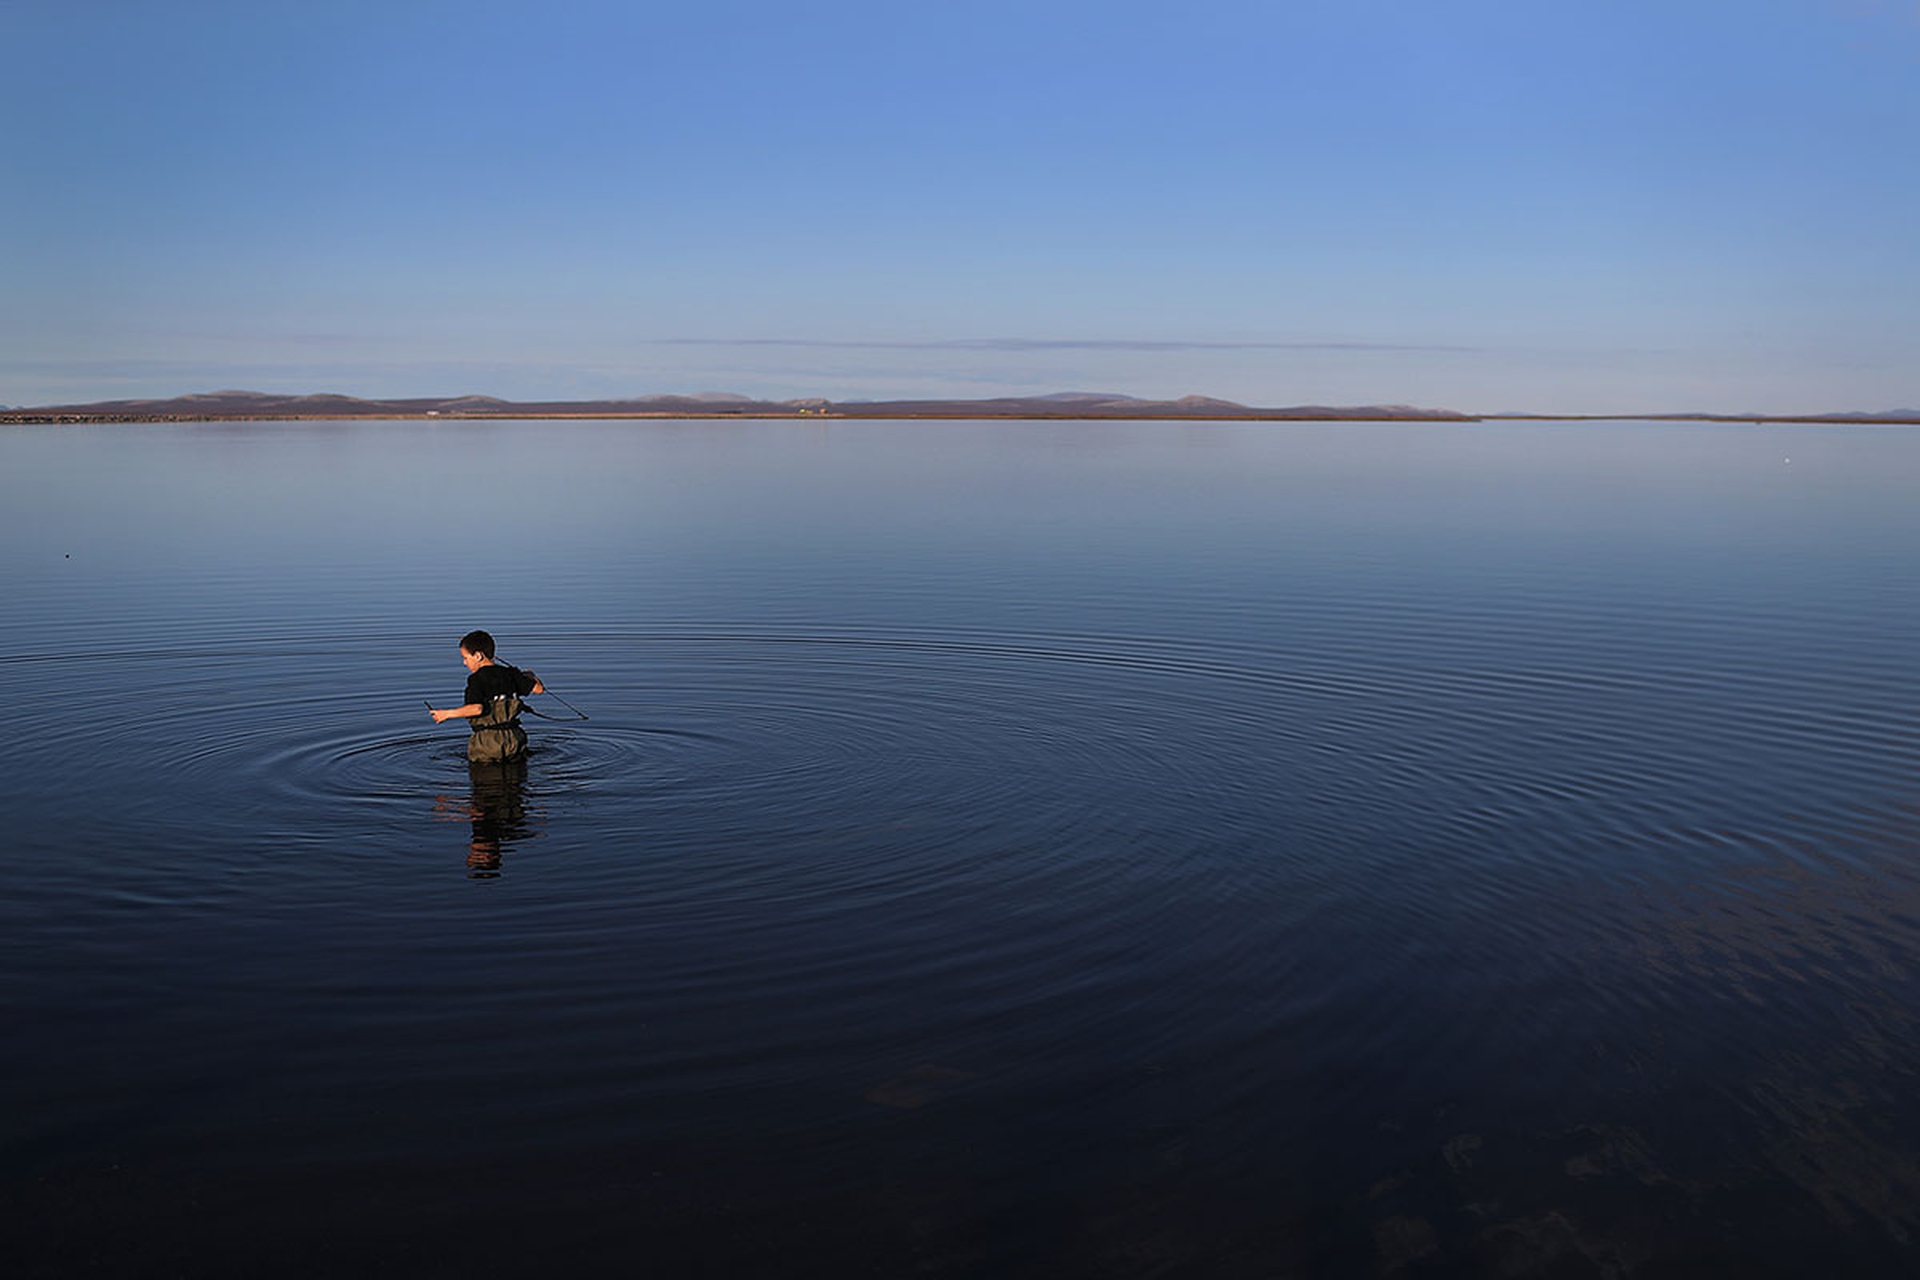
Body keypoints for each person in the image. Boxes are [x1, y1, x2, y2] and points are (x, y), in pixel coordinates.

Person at [428, 630, 545, 762]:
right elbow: (539, 689)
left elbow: (476, 709)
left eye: (466, 658)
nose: (464, 663)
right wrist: (530, 675)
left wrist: (446, 714)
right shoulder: (511, 674)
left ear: (478, 656)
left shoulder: (476, 679)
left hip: (488, 744)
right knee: (517, 775)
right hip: (514, 739)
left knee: (485, 777)